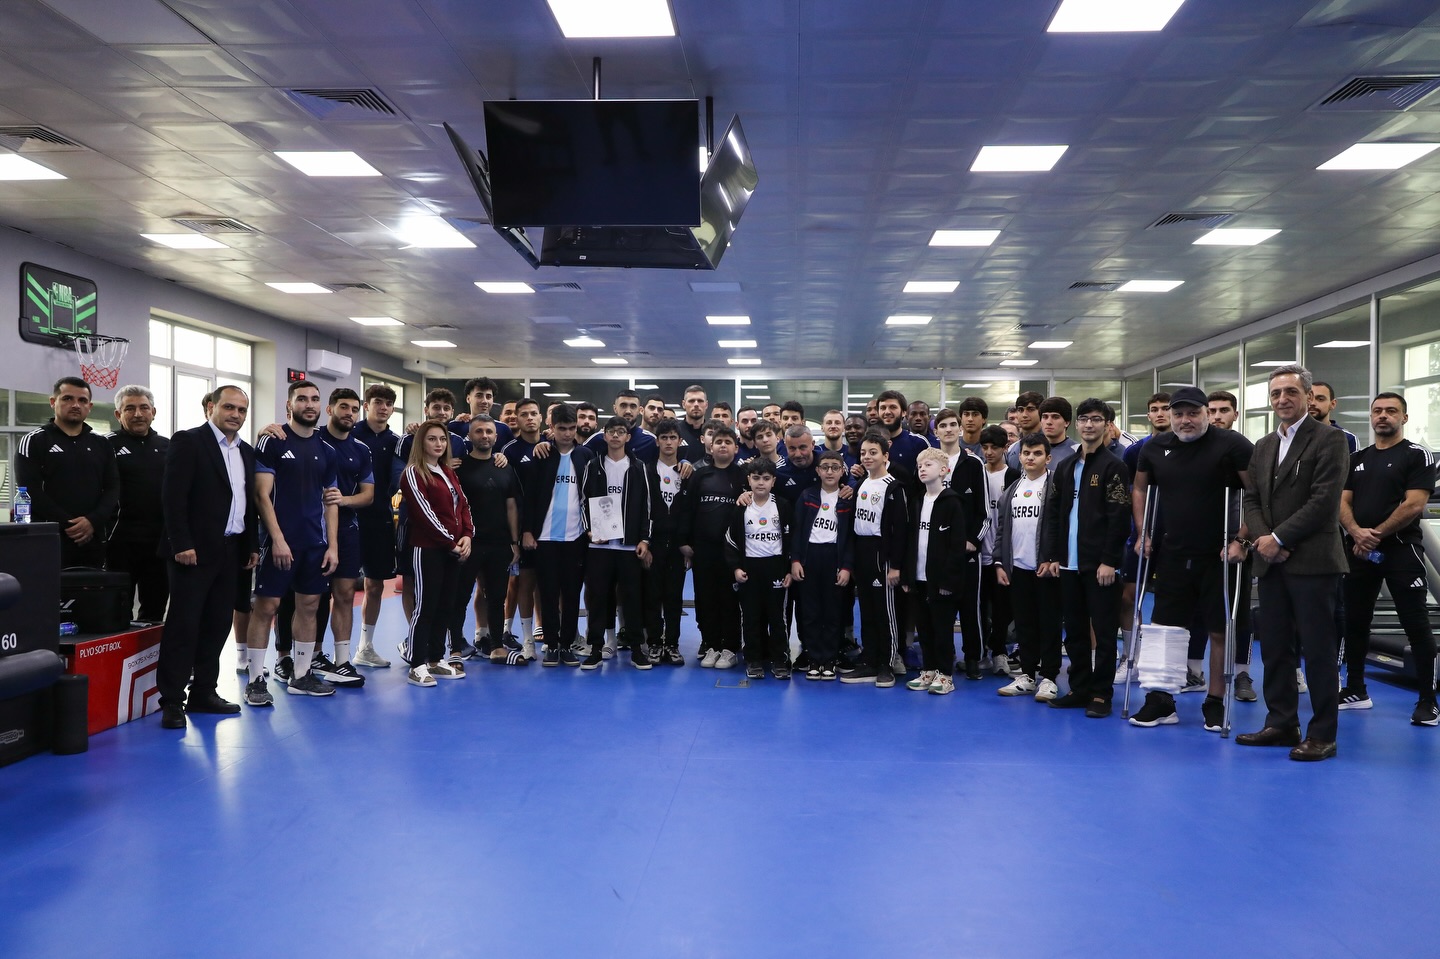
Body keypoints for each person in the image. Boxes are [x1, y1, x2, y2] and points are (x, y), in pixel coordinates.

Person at [1237, 364, 1351, 761]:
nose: (1282, 399)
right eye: (1275, 393)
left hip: (1313, 562)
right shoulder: (1264, 444)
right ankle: (1282, 722)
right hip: (1271, 563)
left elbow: (1323, 500)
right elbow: (1251, 498)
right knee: (1275, 649)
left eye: (1290, 392)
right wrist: (1264, 540)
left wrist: (1278, 538)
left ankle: (1323, 734)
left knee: (1318, 651)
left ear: (1307, 396)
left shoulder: (1330, 440)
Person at [1126, 386, 1253, 730]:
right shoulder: (1155, 447)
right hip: (1172, 552)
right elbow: (1139, 488)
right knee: (1165, 628)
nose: (1185, 420)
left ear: (1206, 414)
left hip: (1220, 554)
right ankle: (1161, 700)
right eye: (1178, 414)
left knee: (1218, 630)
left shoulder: (1232, 445)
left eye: (1193, 413)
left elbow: (1257, 494)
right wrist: (1143, 532)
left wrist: (1242, 539)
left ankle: (1214, 700)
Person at [155, 385, 258, 728]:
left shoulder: (245, 451)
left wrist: (251, 545)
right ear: (211, 407)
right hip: (192, 552)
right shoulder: (188, 441)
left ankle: (203, 691)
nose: (235, 414)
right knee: (184, 626)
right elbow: (173, 496)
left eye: (241, 410)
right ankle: (172, 700)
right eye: (229, 407)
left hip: (231, 550)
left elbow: (248, 503)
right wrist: (180, 543)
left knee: (217, 625)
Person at [1338, 392, 1437, 725]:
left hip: (1400, 549)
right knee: (1355, 621)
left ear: (1404, 418)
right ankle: (1356, 689)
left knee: (1416, 624)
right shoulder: (1357, 458)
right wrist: (1356, 533)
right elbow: (1342, 502)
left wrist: (1374, 535)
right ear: (1371, 417)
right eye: (1377, 411)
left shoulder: (1417, 455)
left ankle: (1428, 701)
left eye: (1391, 411)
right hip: (1359, 550)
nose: (1383, 416)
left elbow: (1414, 504)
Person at [245, 380, 340, 701]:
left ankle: (301, 675)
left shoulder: (327, 450)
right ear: (290, 405)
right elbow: (261, 495)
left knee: (309, 606)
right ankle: (255, 680)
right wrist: (277, 539)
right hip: (279, 542)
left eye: (314, 399)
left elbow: (331, 501)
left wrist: (333, 546)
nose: (309, 404)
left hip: (314, 544)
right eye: (302, 399)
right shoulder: (272, 442)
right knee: (267, 607)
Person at [1039, 399, 1130, 718]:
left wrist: (1110, 560)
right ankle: (1079, 689)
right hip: (1068, 564)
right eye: (1084, 419)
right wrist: (1053, 555)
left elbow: (1119, 518)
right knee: (1075, 632)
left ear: (1107, 425)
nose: (1089, 424)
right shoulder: (1065, 467)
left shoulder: (1114, 467)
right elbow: (1053, 514)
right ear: (1077, 424)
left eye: (1096, 419)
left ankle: (1101, 694)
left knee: (1104, 633)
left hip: (1100, 566)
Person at [517, 403, 596, 667]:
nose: (567, 433)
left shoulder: (585, 455)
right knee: (548, 593)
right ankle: (551, 644)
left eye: (572, 428)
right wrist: (527, 531)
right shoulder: (542, 455)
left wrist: (594, 528)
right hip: (546, 537)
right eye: (562, 428)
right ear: (551, 428)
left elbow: (594, 493)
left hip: (576, 537)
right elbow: (530, 497)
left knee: (572, 594)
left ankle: (567, 644)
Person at [15, 376, 119, 568]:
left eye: (82, 400)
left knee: (91, 587)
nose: (75, 405)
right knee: (48, 587)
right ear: (53, 402)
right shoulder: (34, 441)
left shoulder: (102, 444)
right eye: (68, 398)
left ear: (90, 406)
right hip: (50, 537)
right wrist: (68, 523)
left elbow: (112, 489)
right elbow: (29, 490)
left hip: (92, 538)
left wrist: (92, 521)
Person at [399, 422, 473, 686]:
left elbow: (463, 505)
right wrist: (451, 543)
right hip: (428, 549)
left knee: (445, 605)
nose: (438, 444)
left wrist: (467, 535)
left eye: (442, 439)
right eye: (432, 439)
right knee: (425, 606)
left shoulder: (447, 471)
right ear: (421, 442)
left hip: (453, 550)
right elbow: (424, 513)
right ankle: (417, 664)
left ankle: (435, 658)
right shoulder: (413, 472)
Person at [580, 417, 654, 670]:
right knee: (598, 598)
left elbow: (647, 505)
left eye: (620, 432)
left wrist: (644, 539)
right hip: (599, 545)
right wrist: (589, 531)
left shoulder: (638, 466)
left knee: (632, 599)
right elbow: (583, 500)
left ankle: (637, 649)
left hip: (628, 546)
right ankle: (596, 648)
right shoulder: (594, 465)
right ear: (604, 435)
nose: (615, 436)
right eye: (611, 431)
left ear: (627, 437)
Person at [994, 433, 1062, 701]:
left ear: (1048, 457)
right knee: (1024, 624)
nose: (1030, 457)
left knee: (1049, 624)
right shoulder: (1013, 489)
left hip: (1046, 568)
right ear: (1019, 456)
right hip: (1018, 568)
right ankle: (1028, 675)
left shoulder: (1055, 486)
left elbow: (1061, 525)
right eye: (1026, 453)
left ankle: (1050, 677)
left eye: (1037, 453)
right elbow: (1002, 529)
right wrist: (1000, 562)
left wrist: (1054, 557)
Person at [314, 388, 375, 687]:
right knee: (309, 597)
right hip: (311, 530)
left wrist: (343, 500)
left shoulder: (361, 449)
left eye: (354, 408)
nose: (349, 413)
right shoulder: (311, 439)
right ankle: (306, 656)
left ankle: (341, 661)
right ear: (329, 409)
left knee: (345, 594)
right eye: (343, 407)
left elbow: (368, 494)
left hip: (348, 530)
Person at [840, 430, 909, 688]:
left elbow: (901, 530)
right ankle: (869, 660)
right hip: (863, 550)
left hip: (884, 555)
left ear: (885, 456)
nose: (867, 457)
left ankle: (887, 664)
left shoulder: (894, 487)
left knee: (885, 612)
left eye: (873, 452)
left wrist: (896, 565)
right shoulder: (860, 485)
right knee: (867, 610)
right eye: (863, 453)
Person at [902, 449, 972, 695]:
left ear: (944, 470)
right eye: (919, 465)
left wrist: (948, 581)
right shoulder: (917, 501)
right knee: (924, 629)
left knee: (942, 630)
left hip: (942, 581)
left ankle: (945, 675)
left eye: (928, 464)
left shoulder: (952, 502)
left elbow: (956, 546)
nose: (922, 469)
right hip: (919, 579)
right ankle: (928, 669)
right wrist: (908, 576)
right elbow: (911, 542)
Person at [454, 414, 522, 665]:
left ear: (496, 436)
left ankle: (496, 646)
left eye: (489, 432)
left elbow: (511, 506)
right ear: (470, 436)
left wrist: (514, 542)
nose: (484, 436)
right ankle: (455, 648)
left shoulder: (505, 466)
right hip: (468, 541)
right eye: (479, 431)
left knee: (496, 596)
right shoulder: (458, 468)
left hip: (499, 542)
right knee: (460, 596)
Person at [1204, 389, 1256, 700]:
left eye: (1224, 410)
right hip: (1199, 542)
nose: (1217, 416)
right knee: (1199, 610)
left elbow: (1256, 499)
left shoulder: (1242, 448)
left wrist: (1243, 540)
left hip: (1235, 541)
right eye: (1211, 410)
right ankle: (1193, 668)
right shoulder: (1195, 446)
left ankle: (1242, 674)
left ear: (1235, 414)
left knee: (1238, 611)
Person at [680, 424, 746, 668]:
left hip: (731, 551)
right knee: (705, 598)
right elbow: (688, 509)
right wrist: (684, 542)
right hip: (703, 549)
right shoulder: (700, 475)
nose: (723, 446)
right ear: (710, 446)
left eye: (728, 442)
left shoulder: (743, 476)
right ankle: (710, 645)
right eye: (719, 442)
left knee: (729, 599)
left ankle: (729, 647)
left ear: (736, 448)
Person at [726, 458, 794, 679]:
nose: (761, 483)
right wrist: (736, 568)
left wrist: (788, 569)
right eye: (756, 478)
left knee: (777, 617)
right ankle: (753, 659)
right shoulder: (741, 507)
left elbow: (791, 539)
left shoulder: (782, 506)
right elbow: (731, 540)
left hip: (776, 568)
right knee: (751, 616)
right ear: (749, 480)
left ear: (773, 481)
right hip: (750, 568)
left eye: (766, 478)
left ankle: (780, 659)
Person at [791, 450, 855, 680]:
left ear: (842, 471)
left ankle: (829, 658)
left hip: (833, 558)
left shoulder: (848, 499)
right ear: (817, 470)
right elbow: (797, 530)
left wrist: (846, 566)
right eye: (825, 467)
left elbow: (850, 537)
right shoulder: (807, 495)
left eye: (835, 467)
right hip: (810, 557)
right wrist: (795, 560)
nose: (829, 472)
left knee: (832, 611)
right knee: (810, 611)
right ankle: (813, 658)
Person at [108, 385, 170, 621]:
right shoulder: (106, 445)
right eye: (130, 409)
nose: (138, 414)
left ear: (153, 412)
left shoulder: (167, 446)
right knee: (116, 609)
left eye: (144, 408)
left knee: (154, 608)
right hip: (119, 542)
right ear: (118, 414)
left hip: (159, 543)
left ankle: (149, 647)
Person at [351, 384, 401, 669]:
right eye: (378, 402)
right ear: (366, 405)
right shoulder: (350, 434)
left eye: (388, 404)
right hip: (346, 517)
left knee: (374, 585)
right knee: (338, 587)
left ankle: (365, 647)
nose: (383, 408)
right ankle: (323, 652)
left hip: (380, 517)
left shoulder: (396, 441)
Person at [644, 418, 689, 666]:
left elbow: (691, 512)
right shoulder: (646, 470)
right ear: (657, 441)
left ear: (679, 441)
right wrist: (646, 542)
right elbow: (641, 509)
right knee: (652, 595)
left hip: (678, 545)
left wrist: (688, 546)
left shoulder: (687, 473)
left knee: (674, 596)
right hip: (654, 543)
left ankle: (672, 644)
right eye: (664, 438)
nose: (669, 442)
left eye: (673, 437)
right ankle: (654, 643)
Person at [978, 424, 1020, 677]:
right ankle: (982, 652)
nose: (989, 452)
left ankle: (1000, 652)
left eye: (994, 447)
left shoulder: (1013, 476)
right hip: (978, 554)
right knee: (980, 607)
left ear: (1005, 448)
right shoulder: (976, 474)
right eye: (985, 447)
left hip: (1003, 555)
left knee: (1003, 607)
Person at [873, 390, 930, 483]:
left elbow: (929, 479)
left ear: (904, 412)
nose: (887, 412)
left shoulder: (918, 443)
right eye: (883, 408)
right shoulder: (868, 443)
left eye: (893, 407)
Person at [1309, 381, 1358, 453]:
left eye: (1320, 399)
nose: (1312, 403)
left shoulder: (1346, 438)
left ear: (1332, 404)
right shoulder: (1293, 433)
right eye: (1309, 398)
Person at [1003, 391, 1045, 469]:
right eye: (1020, 410)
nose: (1024, 415)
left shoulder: (1049, 445)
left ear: (1041, 411)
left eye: (1030, 409)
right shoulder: (1012, 449)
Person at [677, 385, 709, 461]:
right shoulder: (675, 431)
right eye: (691, 401)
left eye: (700, 401)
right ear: (683, 404)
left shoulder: (714, 432)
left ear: (706, 405)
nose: (696, 404)